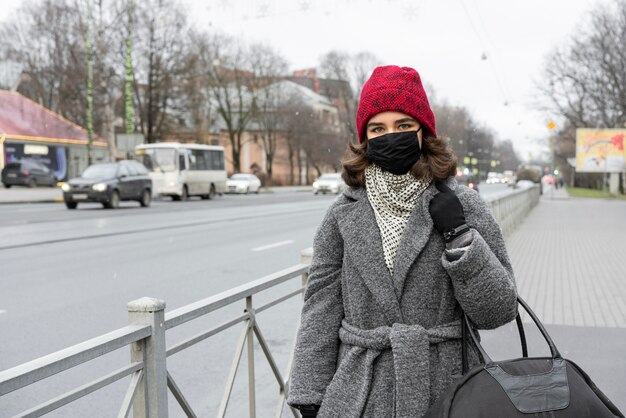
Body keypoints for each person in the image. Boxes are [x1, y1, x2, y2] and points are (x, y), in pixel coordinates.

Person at [287, 65, 518, 418]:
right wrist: (308, 392)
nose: (389, 136)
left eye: (403, 126)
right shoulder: (343, 213)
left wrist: (459, 237)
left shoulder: (462, 204)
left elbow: (498, 310)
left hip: (448, 391)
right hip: (358, 394)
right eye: (377, 128)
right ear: (365, 138)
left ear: (423, 132)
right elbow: (320, 306)